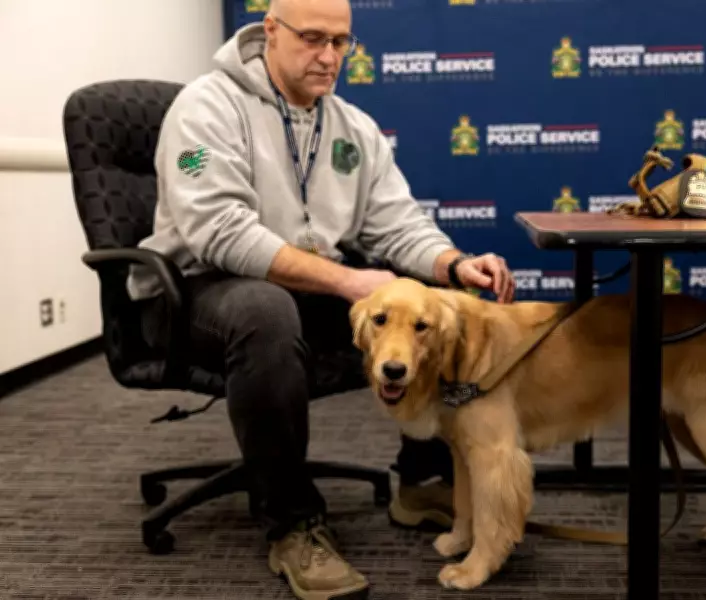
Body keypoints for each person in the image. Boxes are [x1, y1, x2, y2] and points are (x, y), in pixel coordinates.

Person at [128, 0, 515, 597]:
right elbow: (220, 231)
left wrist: (453, 263)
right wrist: (345, 281)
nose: (329, 56)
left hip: (299, 286)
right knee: (266, 312)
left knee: (431, 308)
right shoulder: (205, 107)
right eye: (313, 38)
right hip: (192, 292)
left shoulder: (352, 127)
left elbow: (397, 224)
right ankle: (293, 526)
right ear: (270, 31)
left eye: (341, 42)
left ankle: (421, 481)